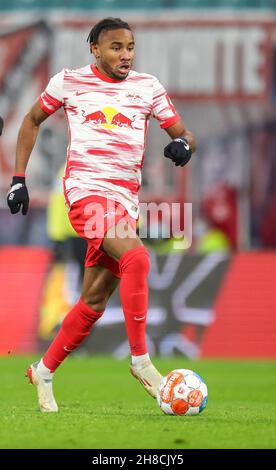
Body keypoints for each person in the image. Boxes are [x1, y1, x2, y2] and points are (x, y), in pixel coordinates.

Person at [6, 17, 196, 412]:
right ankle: (141, 361)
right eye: (115, 48)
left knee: (92, 301)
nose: (125, 55)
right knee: (138, 257)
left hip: (124, 202)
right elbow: (31, 120)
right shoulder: (69, 81)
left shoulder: (148, 88)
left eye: (129, 47)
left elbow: (185, 133)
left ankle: (42, 370)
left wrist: (183, 146)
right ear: (94, 49)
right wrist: (18, 179)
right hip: (86, 195)